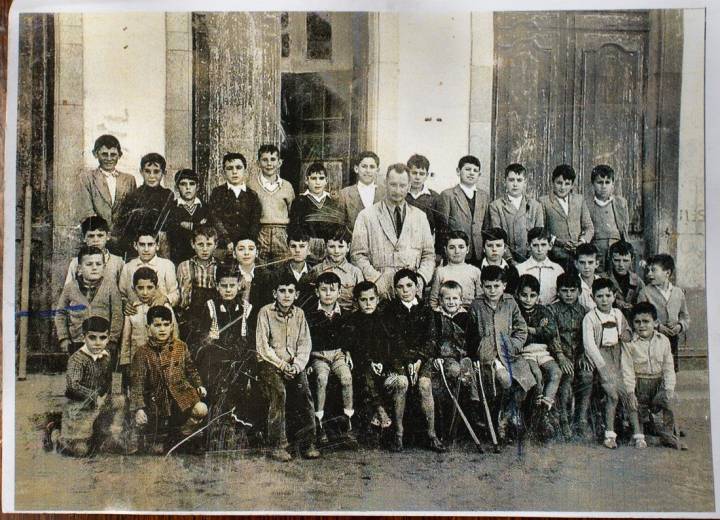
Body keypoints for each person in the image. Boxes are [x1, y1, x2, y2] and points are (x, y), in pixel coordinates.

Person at [376, 269, 446, 452]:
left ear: (417, 287)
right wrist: (407, 362)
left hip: (423, 359)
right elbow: (393, 340)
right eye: (400, 287)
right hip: (398, 359)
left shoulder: (426, 310)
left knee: (424, 384)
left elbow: (431, 340)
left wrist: (419, 360)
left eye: (409, 285)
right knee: (402, 383)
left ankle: (432, 435)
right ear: (395, 289)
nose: (405, 290)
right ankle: (399, 434)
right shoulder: (389, 311)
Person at [465, 265, 534, 443]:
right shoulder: (477, 305)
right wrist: (479, 351)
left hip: (509, 354)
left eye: (496, 286)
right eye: (488, 286)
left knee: (524, 382)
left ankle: (506, 415)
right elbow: (470, 334)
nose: (492, 290)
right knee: (504, 381)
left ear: (504, 285)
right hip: (489, 356)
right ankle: (498, 424)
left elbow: (521, 328)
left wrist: (515, 345)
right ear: (482, 286)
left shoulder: (510, 302)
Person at [255, 274, 320, 462]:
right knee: (279, 392)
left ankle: (308, 442)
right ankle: (277, 445)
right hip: (270, 364)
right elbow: (263, 347)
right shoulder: (265, 312)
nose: (286, 295)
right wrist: (282, 365)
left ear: (296, 294)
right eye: (282, 291)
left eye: (290, 291)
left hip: (293, 366)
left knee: (305, 392)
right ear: (275, 293)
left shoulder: (299, 314)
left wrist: (297, 366)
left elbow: (304, 343)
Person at [350, 163, 436, 300]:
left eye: (402, 186)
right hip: (379, 291)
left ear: (409, 186)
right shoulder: (367, 216)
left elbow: (429, 255)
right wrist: (377, 280)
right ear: (385, 183)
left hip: (411, 292)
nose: (397, 190)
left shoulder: (419, 216)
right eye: (393, 184)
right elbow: (357, 255)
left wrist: (419, 280)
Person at [130, 306, 208, 453]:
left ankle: (182, 434)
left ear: (172, 326)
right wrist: (138, 408)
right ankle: (164, 438)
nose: (162, 329)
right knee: (157, 449)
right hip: (157, 399)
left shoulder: (181, 346)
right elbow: (137, 383)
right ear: (148, 328)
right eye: (157, 325)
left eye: (166, 325)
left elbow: (191, 369)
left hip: (181, 394)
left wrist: (199, 385)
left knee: (201, 409)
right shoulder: (142, 353)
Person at [194, 263, 257, 423]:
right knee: (212, 374)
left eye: (232, 285)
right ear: (217, 286)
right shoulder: (210, 306)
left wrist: (237, 351)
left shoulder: (246, 308)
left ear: (239, 286)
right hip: (214, 356)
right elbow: (201, 336)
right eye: (224, 286)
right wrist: (209, 336)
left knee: (240, 378)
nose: (228, 290)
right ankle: (212, 418)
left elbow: (247, 338)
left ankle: (234, 419)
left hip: (237, 357)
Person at [621, 302, 687, 450]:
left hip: (657, 385)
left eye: (646, 321)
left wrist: (669, 389)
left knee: (672, 400)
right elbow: (627, 370)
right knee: (635, 409)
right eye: (637, 322)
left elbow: (669, 367)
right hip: (639, 386)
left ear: (655, 323)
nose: (642, 326)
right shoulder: (630, 343)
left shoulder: (663, 341)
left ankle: (668, 435)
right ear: (632, 324)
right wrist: (631, 392)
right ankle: (640, 430)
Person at [305, 272, 357, 447]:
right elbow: (305, 340)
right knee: (321, 379)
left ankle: (348, 422)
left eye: (332, 290)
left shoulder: (345, 314)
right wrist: (307, 363)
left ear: (339, 292)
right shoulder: (310, 314)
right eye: (324, 289)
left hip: (337, 354)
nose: (328, 293)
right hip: (318, 355)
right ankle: (319, 423)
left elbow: (348, 337)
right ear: (317, 292)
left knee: (346, 378)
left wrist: (348, 351)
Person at [581, 278, 632, 449]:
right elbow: (589, 344)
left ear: (614, 296)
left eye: (608, 295)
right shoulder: (590, 317)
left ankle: (629, 427)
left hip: (618, 356)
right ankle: (609, 434)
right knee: (612, 394)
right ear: (593, 297)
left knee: (626, 390)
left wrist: (626, 334)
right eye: (600, 296)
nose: (604, 299)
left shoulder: (617, 314)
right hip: (600, 358)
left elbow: (626, 333)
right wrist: (602, 366)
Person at [58, 316, 114, 456]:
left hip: (97, 406)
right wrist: (95, 397)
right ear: (84, 337)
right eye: (92, 337)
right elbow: (73, 386)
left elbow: (107, 379)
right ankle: (57, 435)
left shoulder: (106, 356)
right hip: (79, 406)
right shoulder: (77, 359)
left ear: (108, 338)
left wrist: (106, 393)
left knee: (120, 400)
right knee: (81, 451)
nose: (97, 343)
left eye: (102, 338)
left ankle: (109, 433)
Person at [342, 281, 392, 436]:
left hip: (383, 364)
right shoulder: (353, 320)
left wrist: (381, 363)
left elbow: (389, 345)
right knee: (365, 373)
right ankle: (379, 409)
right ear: (357, 301)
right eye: (363, 300)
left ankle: (378, 414)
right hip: (362, 364)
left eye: (371, 299)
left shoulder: (384, 319)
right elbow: (354, 346)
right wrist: (371, 362)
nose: (368, 303)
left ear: (377, 299)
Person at [54, 245, 123, 356]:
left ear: (104, 267)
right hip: (77, 341)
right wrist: (64, 338)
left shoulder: (111, 287)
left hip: (102, 341)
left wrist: (113, 340)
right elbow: (60, 313)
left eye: (98, 264)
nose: (94, 268)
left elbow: (117, 314)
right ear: (80, 268)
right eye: (89, 264)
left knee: (102, 371)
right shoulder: (70, 288)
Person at [119, 267, 178, 393]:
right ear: (134, 289)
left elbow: (175, 335)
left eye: (149, 287)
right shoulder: (132, 310)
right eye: (140, 288)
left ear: (156, 288)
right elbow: (126, 339)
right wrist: (125, 362)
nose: (145, 292)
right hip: (137, 361)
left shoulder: (165, 307)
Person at [548, 273, 593, 439]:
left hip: (579, 355)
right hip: (559, 355)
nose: (568, 294)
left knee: (587, 376)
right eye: (564, 290)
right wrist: (560, 356)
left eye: (572, 290)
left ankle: (581, 419)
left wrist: (584, 355)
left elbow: (587, 338)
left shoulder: (585, 312)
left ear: (580, 291)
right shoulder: (551, 310)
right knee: (566, 376)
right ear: (558, 291)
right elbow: (553, 336)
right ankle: (564, 419)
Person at [431, 281, 481, 426]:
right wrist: (436, 357)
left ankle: (474, 406)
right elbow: (432, 339)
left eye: (455, 298)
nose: (451, 302)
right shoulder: (436, 317)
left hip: (463, 355)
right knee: (455, 370)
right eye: (447, 299)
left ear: (461, 299)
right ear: (441, 300)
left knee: (469, 370)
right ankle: (452, 413)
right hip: (446, 357)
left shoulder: (466, 317)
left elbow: (473, 340)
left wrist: (474, 357)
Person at [112, 153, 175, 258]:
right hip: (137, 245)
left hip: (160, 246)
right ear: (141, 172)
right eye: (147, 171)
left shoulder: (167, 195)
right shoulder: (133, 195)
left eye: (156, 172)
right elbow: (125, 224)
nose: (151, 176)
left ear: (164, 173)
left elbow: (168, 223)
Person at [77, 135, 137, 245]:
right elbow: (87, 212)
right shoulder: (86, 178)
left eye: (113, 154)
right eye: (104, 154)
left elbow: (132, 212)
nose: (109, 159)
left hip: (123, 239)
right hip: (99, 238)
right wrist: (103, 236)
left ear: (120, 155)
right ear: (95, 154)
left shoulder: (129, 180)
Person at [515, 275, 562, 413]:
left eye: (532, 295)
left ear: (538, 296)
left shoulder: (543, 310)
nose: (528, 299)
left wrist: (532, 329)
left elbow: (551, 331)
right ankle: (535, 408)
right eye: (524, 295)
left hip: (542, 351)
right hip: (525, 352)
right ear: (517, 294)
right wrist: (539, 330)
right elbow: (517, 333)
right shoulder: (515, 311)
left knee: (556, 372)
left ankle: (545, 407)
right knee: (537, 374)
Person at [638, 253, 689, 372]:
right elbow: (640, 316)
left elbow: (685, 316)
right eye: (648, 270)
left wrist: (679, 326)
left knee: (670, 370)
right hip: (653, 339)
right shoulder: (644, 293)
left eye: (653, 270)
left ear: (667, 273)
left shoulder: (678, 292)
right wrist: (658, 326)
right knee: (655, 369)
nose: (649, 274)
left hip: (673, 339)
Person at [247, 144, 296, 264]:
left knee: (281, 265)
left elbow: (292, 213)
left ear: (280, 162)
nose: (269, 164)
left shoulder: (287, 186)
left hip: (281, 232)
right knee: (259, 266)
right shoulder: (251, 185)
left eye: (273, 159)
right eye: (265, 160)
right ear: (258, 163)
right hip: (260, 231)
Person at [539, 164, 594, 270]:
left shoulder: (579, 200)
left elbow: (589, 227)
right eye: (559, 183)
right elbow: (541, 230)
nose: (563, 187)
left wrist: (581, 242)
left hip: (579, 255)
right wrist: (559, 242)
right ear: (552, 182)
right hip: (556, 255)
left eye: (567, 184)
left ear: (572, 185)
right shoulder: (543, 202)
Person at [438, 155, 490, 265]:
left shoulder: (484, 196)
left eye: (475, 171)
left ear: (479, 175)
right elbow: (443, 227)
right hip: (456, 253)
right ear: (458, 171)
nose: (471, 173)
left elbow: (486, 226)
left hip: (478, 252)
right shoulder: (448, 195)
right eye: (467, 169)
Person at [288, 161, 344, 262]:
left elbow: (338, 228)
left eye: (321, 178)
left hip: (330, 252)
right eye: (313, 178)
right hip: (306, 252)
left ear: (326, 181)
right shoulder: (300, 201)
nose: (317, 182)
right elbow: (295, 228)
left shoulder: (333, 202)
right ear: (306, 180)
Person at [208, 152, 262, 256]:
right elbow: (215, 218)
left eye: (238, 167)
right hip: (223, 246)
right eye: (229, 168)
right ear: (224, 172)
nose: (234, 172)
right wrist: (227, 240)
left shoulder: (252, 195)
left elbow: (255, 221)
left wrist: (247, 242)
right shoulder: (217, 193)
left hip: (245, 247)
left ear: (245, 170)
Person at [488, 163, 544, 264]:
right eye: (511, 180)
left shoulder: (535, 206)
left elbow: (539, 235)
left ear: (525, 182)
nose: (515, 184)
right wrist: (509, 260)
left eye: (519, 180)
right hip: (506, 260)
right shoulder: (496, 206)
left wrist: (531, 258)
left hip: (531, 260)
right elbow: (498, 237)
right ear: (505, 182)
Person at [176, 224, 219, 342]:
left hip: (214, 318)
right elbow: (181, 296)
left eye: (209, 244)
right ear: (192, 244)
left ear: (215, 245)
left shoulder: (219, 267)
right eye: (200, 244)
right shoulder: (184, 266)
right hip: (191, 318)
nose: (205, 249)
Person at [118, 230, 179, 309]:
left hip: (159, 315)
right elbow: (121, 295)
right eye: (142, 245)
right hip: (135, 315)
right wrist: (125, 303)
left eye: (150, 245)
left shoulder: (167, 265)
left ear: (157, 245)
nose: (146, 249)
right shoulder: (128, 267)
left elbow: (175, 293)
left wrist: (164, 298)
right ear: (135, 245)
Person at [587, 164, 629, 270]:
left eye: (607, 182)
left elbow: (624, 230)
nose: (604, 186)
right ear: (593, 185)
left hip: (616, 251)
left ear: (612, 185)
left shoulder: (621, 203)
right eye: (600, 182)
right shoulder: (586, 204)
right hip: (596, 250)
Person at [310, 230, 364, 311]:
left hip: (348, 317)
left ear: (348, 247)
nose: (336, 251)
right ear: (325, 247)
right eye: (332, 247)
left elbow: (361, 299)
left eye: (341, 246)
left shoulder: (355, 272)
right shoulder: (316, 270)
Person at [166, 169, 210, 266]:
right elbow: (171, 232)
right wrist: (198, 225)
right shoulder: (171, 207)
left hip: (202, 259)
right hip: (178, 258)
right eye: (183, 184)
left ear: (197, 187)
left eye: (192, 184)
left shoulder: (206, 207)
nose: (188, 188)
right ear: (177, 187)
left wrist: (184, 225)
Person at [65, 216, 124, 287]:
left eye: (100, 235)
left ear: (108, 236)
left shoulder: (118, 262)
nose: (96, 240)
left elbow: (123, 291)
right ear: (84, 238)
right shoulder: (76, 263)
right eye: (91, 236)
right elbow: (68, 290)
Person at [429, 230, 482, 309]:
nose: (457, 251)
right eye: (452, 247)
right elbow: (434, 300)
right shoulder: (440, 272)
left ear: (467, 249)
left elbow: (480, 299)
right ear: (445, 249)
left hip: (469, 314)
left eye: (461, 247)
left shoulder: (474, 271)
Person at [516, 227, 564, 305]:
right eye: (535, 245)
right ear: (528, 246)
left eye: (543, 245)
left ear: (550, 245)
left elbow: (561, 296)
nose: (539, 249)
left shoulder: (558, 270)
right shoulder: (520, 269)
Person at [339, 151, 384, 232]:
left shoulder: (385, 194)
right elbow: (340, 225)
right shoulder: (344, 194)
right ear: (356, 169)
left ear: (377, 170)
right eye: (364, 166)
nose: (368, 170)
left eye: (372, 167)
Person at [405, 154, 441, 249]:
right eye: (414, 173)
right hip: (403, 245)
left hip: (426, 246)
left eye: (421, 174)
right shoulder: (401, 195)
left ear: (426, 176)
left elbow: (440, 228)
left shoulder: (434, 197)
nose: (417, 177)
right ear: (408, 173)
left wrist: (438, 252)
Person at [607, 240, 645, 320]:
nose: (621, 265)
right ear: (611, 259)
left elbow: (644, 306)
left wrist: (634, 307)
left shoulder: (637, 281)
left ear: (632, 259)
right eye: (617, 260)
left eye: (625, 260)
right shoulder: (604, 280)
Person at [480, 227, 520, 294]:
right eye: (490, 245)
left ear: (505, 248)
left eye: (498, 245)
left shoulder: (512, 270)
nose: (494, 249)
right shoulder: (476, 268)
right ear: (484, 248)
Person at [575, 243, 604, 310]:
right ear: (576, 264)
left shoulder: (603, 283)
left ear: (597, 264)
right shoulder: (573, 284)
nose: (586, 267)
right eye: (582, 262)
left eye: (590, 262)